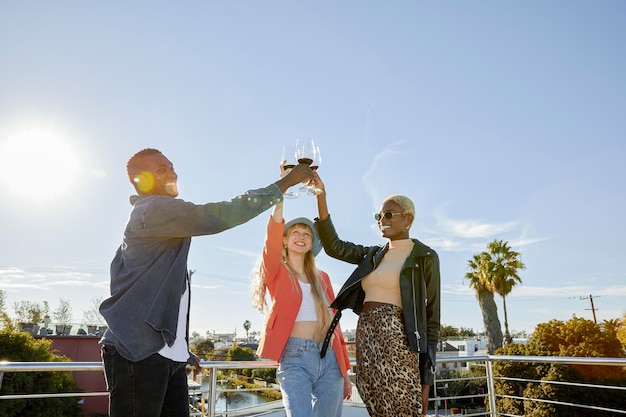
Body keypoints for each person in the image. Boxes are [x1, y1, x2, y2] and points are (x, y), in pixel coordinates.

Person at [99, 148, 313, 417]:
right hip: (138, 352)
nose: (172, 173)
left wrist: (182, 348)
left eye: (171, 166)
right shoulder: (153, 210)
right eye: (161, 169)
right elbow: (220, 214)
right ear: (140, 181)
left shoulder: (160, 223)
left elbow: (154, 293)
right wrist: (283, 185)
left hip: (169, 357)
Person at [312, 173, 440, 417]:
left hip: (399, 337)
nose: (382, 219)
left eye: (389, 214)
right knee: (373, 399)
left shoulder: (426, 256)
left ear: (408, 219)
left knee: (403, 404)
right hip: (367, 333)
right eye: (379, 216)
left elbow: (432, 316)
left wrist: (426, 375)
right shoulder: (372, 255)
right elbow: (334, 246)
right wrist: (321, 196)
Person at [250, 165, 352, 417]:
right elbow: (272, 233)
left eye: (307, 233)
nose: (301, 236)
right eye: (295, 231)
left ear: (311, 244)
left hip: (330, 358)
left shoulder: (323, 278)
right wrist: (282, 188)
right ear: (284, 240)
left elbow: (335, 325)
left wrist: (345, 371)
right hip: (295, 356)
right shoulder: (276, 271)